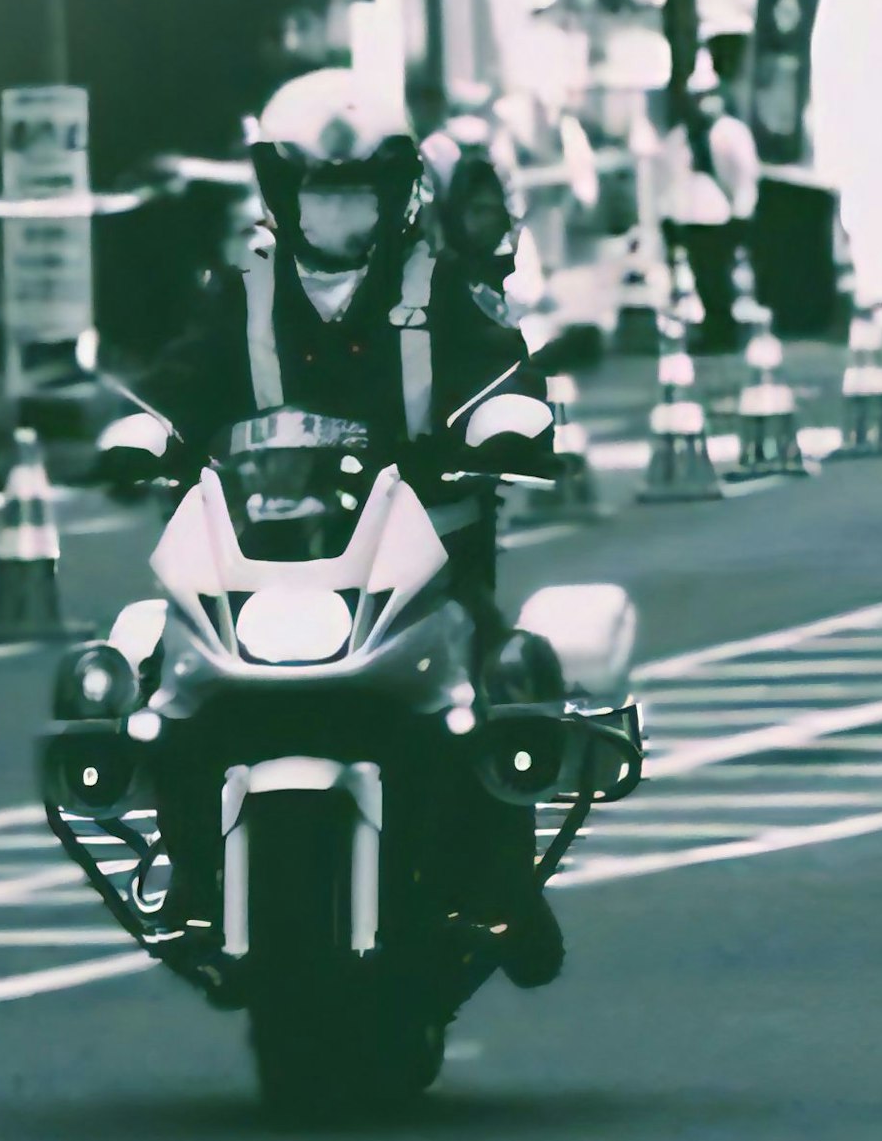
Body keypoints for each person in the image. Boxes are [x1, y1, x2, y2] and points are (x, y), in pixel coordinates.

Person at [103, 98, 561, 974]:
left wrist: (509, 414)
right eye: (320, 191)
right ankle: (192, 866)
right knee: (161, 690)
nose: (338, 211)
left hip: (425, 558)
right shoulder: (244, 290)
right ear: (285, 192)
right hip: (264, 562)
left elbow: (500, 363)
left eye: (356, 192)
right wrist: (145, 428)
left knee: (507, 684)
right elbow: (182, 377)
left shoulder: (438, 288)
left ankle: (503, 877)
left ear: (394, 194)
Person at [649, 57, 760, 349]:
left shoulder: (731, 133)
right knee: (703, 278)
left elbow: (745, 177)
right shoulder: (681, 137)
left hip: (721, 217)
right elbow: (670, 179)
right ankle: (714, 329)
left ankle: (724, 331)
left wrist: (741, 215)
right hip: (692, 217)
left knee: (719, 279)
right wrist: (668, 216)